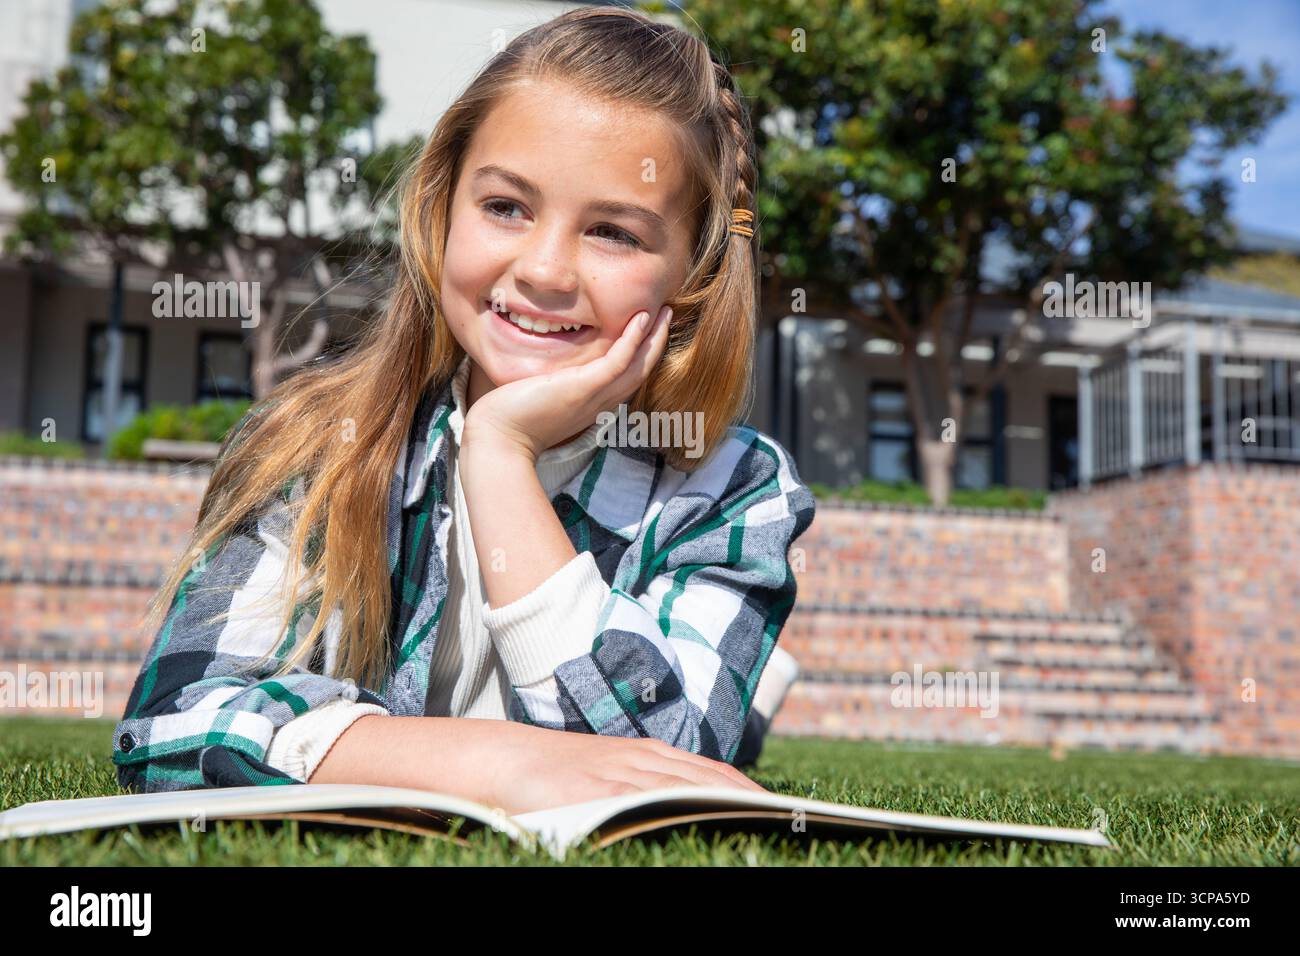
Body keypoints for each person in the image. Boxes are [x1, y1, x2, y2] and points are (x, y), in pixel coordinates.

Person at [111, 5, 815, 817]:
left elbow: (663, 769)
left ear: (691, 272)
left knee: (713, 725)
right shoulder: (313, 442)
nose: (547, 269)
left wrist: (500, 454)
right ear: (444, 209)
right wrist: (491, 759)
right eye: (506, 207)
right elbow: (174, 717)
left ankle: (746, 697)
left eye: (614, 232)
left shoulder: (733, 487)